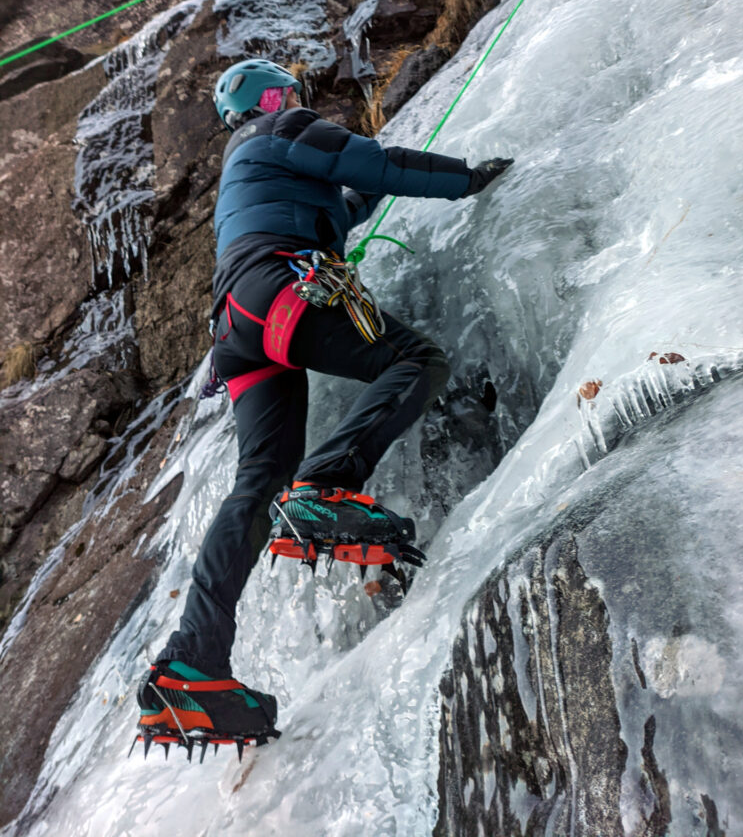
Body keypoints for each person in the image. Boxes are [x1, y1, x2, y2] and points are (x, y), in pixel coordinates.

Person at [135, 59, 512, 754]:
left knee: (258, 481)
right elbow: (373, 163)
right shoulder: (280, 128)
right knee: (415, 361)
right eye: (287, 96)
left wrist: (359, 200)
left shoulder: (253, 172)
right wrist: (467, 178)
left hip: (237, 331)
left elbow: (347, 199)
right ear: (271, 101)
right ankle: (327, 486)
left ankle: (193, 662)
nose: (296, 104)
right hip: (280, 286)